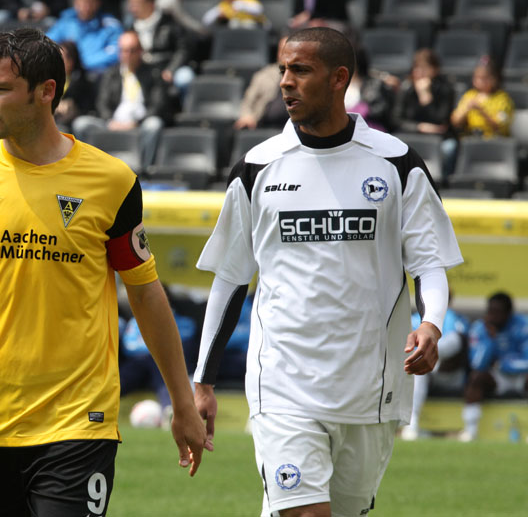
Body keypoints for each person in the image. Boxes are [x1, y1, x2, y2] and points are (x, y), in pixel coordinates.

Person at [0, 27, 208, 515]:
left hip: (78, 421)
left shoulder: (111, 181)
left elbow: (146, 296)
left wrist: (182, 402)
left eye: (0, 89)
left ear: (46, 92)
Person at [193, 27, 462, 517]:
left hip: (370, 388)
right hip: (283, 383)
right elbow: (230, 279)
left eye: (300, 70)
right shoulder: (256, 168)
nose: (285, 82)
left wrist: (431, 324)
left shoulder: (398, 163)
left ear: (340, 78)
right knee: (306, 512)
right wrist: (203, 380)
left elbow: (428, 262)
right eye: (283, 70)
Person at [71, 30, 174, 167]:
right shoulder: (110, 74)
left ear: (140, 51)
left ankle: (144, 170)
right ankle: (90, 168)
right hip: (113, 123)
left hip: (140, 124)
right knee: (81, 124)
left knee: (154, 124)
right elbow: (102, 103)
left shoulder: (153, 73)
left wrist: (136, 122)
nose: (128, 55)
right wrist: (111, 121)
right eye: (124, 51)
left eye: (132, 50)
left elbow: (158, 104)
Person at [120, 286, 197, 419]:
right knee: (123, 376)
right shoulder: (136, 321)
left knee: (164, 370)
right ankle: (101, 403)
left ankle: (170, 410)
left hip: (165, 364)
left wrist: (155, 349)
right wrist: (154, 348)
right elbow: (129, 347)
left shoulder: (185, 323)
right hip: (139, 362)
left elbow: (180, 347)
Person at [401, 291, 469, 440]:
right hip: (425, 371)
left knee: (455, 339)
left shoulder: (456, 319)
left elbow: (463, 347)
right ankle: (412, 425)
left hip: (450, 375)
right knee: (418, 372)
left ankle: (470, 431)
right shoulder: (414, 319)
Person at [460, 292, 528, 442]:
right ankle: (470, 431)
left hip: (521, 376)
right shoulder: (480, 328)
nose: (492, 316)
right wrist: (489, 340)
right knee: (476, 377)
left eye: (498, 312)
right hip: (497, 377)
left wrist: (505, 364)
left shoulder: (524, 325)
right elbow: (477, 364)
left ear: (508, 313)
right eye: (490, 311)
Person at [447, 55, 514, 178]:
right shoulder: (470, 95)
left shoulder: (502, 98)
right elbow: (455, 121)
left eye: (484, 78)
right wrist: (466, 109)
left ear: (494, 79)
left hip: (494, 141)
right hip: (471, 139)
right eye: (477, 78)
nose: (479, 81)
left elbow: (499, 125)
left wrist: (481, 111)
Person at [125, 0, 194, 93]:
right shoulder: (131, 28)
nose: (133, 7)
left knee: (185, 77)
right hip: (145, 69)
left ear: (150, 3)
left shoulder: (169, 23)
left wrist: (171, 69)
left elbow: (183, 49)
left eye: (137, 3)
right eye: (131, 3)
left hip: (167, 66)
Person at [46, 0, 123, 74]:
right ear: (75, 3)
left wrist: (82, 62)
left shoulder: (109, 26)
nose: (85, 7)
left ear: (98, 3)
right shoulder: (67, 21)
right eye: (82, 2)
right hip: (67, 73)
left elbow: (117, 51)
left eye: (89, 2)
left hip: (95, 74)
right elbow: (47, 43)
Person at [394, 48, 455, 137]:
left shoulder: (445, 89)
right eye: (416, 67)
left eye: (424, 68)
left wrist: (426, 98)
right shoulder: (406, 87)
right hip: (409, 134)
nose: (419, 72)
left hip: (438, 137)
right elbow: (396, 120)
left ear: (435, 70)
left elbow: (441, 123)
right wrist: (419, 127)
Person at [234, 34, 290, 130]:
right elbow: (247, 102)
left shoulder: (306, 77)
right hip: (263, 124)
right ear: (278, 53)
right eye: (283, 51)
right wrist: (247, 116)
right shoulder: (263, 75)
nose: (286, 55)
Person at [344, 48, 395, 132]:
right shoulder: (332, 83)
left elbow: (379, 109)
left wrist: (362, 110)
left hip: (368, 127)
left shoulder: (374, 83)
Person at [54, 40, 95, 133]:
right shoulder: (52, 80)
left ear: (71, 60)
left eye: (62, 58)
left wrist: (71, 105)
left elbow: (85, 107)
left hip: (72, 120)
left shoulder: (83, 82)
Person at [202, 0, 267, 30]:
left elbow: (259, 10)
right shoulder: (224, 5)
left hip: (256, 28)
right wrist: (217, 14)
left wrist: (243, 6)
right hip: (236, 32)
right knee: (232, 24)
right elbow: (206, 20)